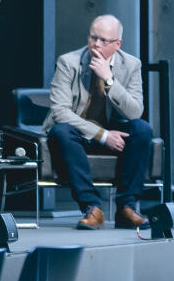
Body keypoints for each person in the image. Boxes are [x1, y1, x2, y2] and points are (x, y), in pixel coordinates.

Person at [43, 14, 152, 229]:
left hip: (113, 127)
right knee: (61, 131)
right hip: (78, 131)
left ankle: (126, 208)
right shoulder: (69, 62)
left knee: (142, 129)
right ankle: (92, 208)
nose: (96, 44)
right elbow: (59, 111)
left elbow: (135, 112)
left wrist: (109, 80)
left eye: (104, 40)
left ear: (117, 44)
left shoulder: (131, 64)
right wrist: (102, 135)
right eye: (93, 37)